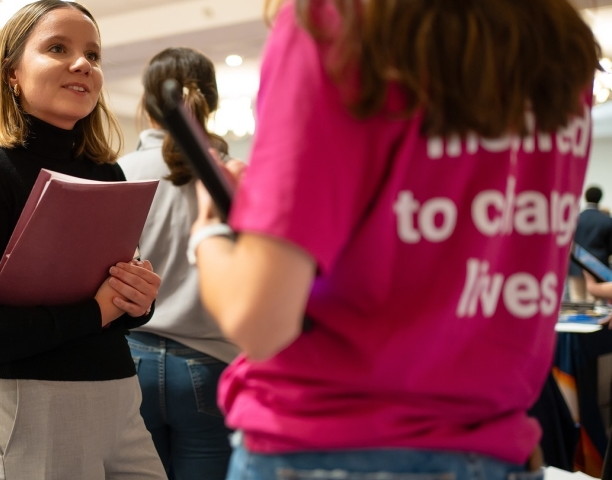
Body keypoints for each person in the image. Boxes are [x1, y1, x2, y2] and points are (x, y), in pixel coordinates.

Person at [189, 0, 598, 478]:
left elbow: (257, 318)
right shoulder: (560, 41)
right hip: (493, 448)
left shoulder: (336, 20)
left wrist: (209, 232)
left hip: (326, 445)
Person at [0, 2, 166, 479]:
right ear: (12, 72)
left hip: (118, 390)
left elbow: (112, 302)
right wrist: (98, 311)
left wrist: (138, 300)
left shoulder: (107, 171)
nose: (83, 64)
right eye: (58, 48)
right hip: (25, 403)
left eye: (93, 55)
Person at [119, 47, 240, 479]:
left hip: (131, 362)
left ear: (147, 105)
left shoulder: (119, 171)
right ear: (211, 101)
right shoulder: (232, 175)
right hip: (211, 363)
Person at [568, 186, 612, 302]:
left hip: (575, 266)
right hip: (598, 267)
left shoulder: (575, 218)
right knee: (595, 306)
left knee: (576, 300)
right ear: (600, 198)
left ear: (585, 197)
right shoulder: (607, 220)